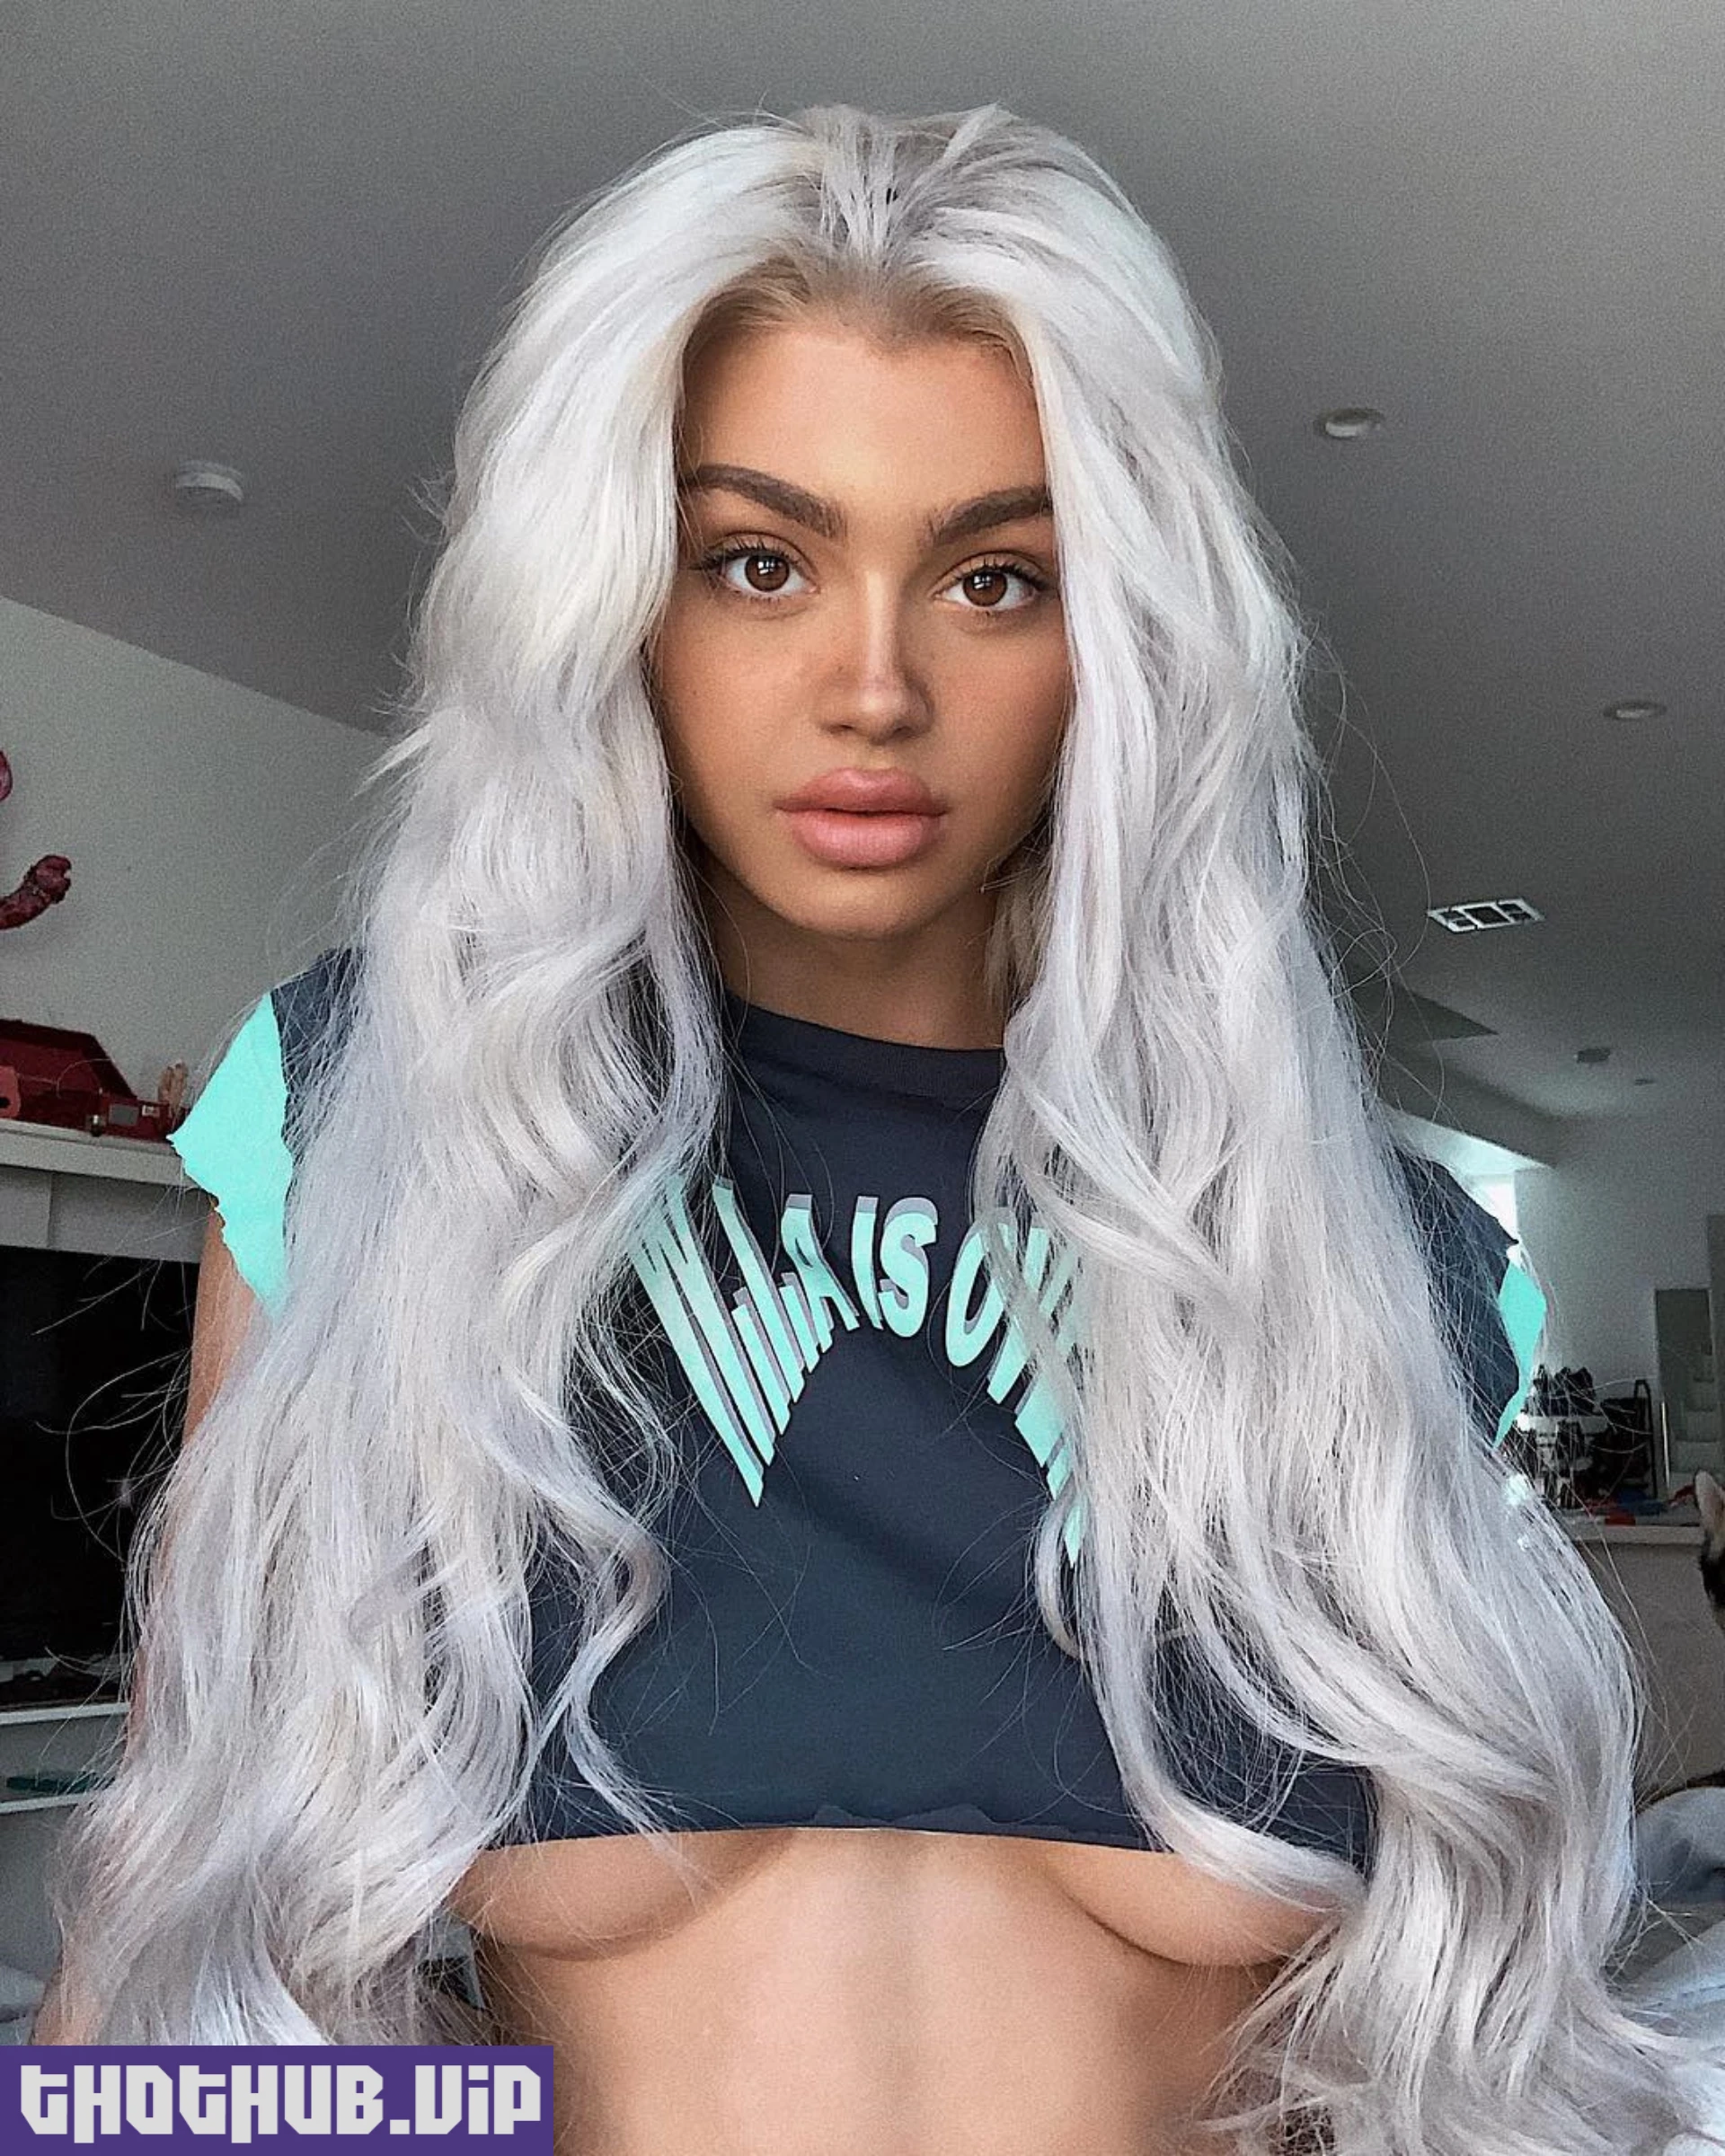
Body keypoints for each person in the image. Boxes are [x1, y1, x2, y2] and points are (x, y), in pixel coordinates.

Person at [34, 100, 1723, 2156]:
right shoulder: (379, 1128)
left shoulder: (1358, 1256)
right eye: (758, 562)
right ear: (616, 600)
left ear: (1120, 644)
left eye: (996, 578)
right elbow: (177, 1916)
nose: (873, 688)